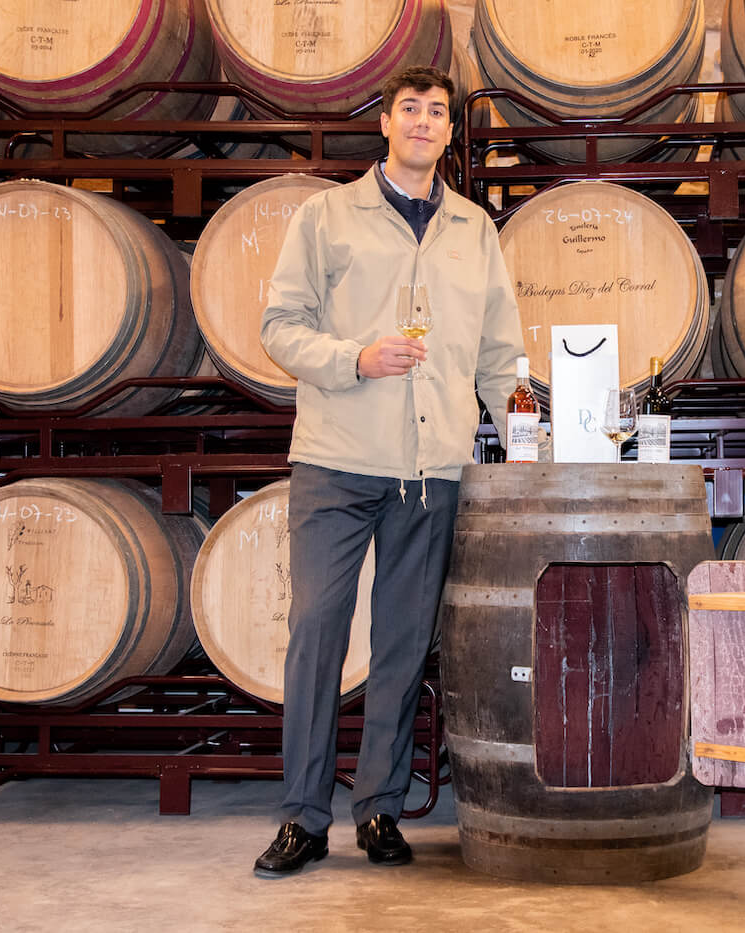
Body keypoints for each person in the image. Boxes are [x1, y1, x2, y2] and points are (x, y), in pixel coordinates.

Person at [253, 65, 525, 875]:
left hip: (433, 465)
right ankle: (302, 816)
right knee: (316, 631)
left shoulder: (474, 229)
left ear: (450, 132)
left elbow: (498, 354)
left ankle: (378, 808)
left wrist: (527, 437)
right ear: (384, 122)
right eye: (410, 108)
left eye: (437, 112)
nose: (423, 122)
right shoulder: (327, 216)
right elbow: (280, 325)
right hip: (337, 458)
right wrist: (355, 358)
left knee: (404, 645)